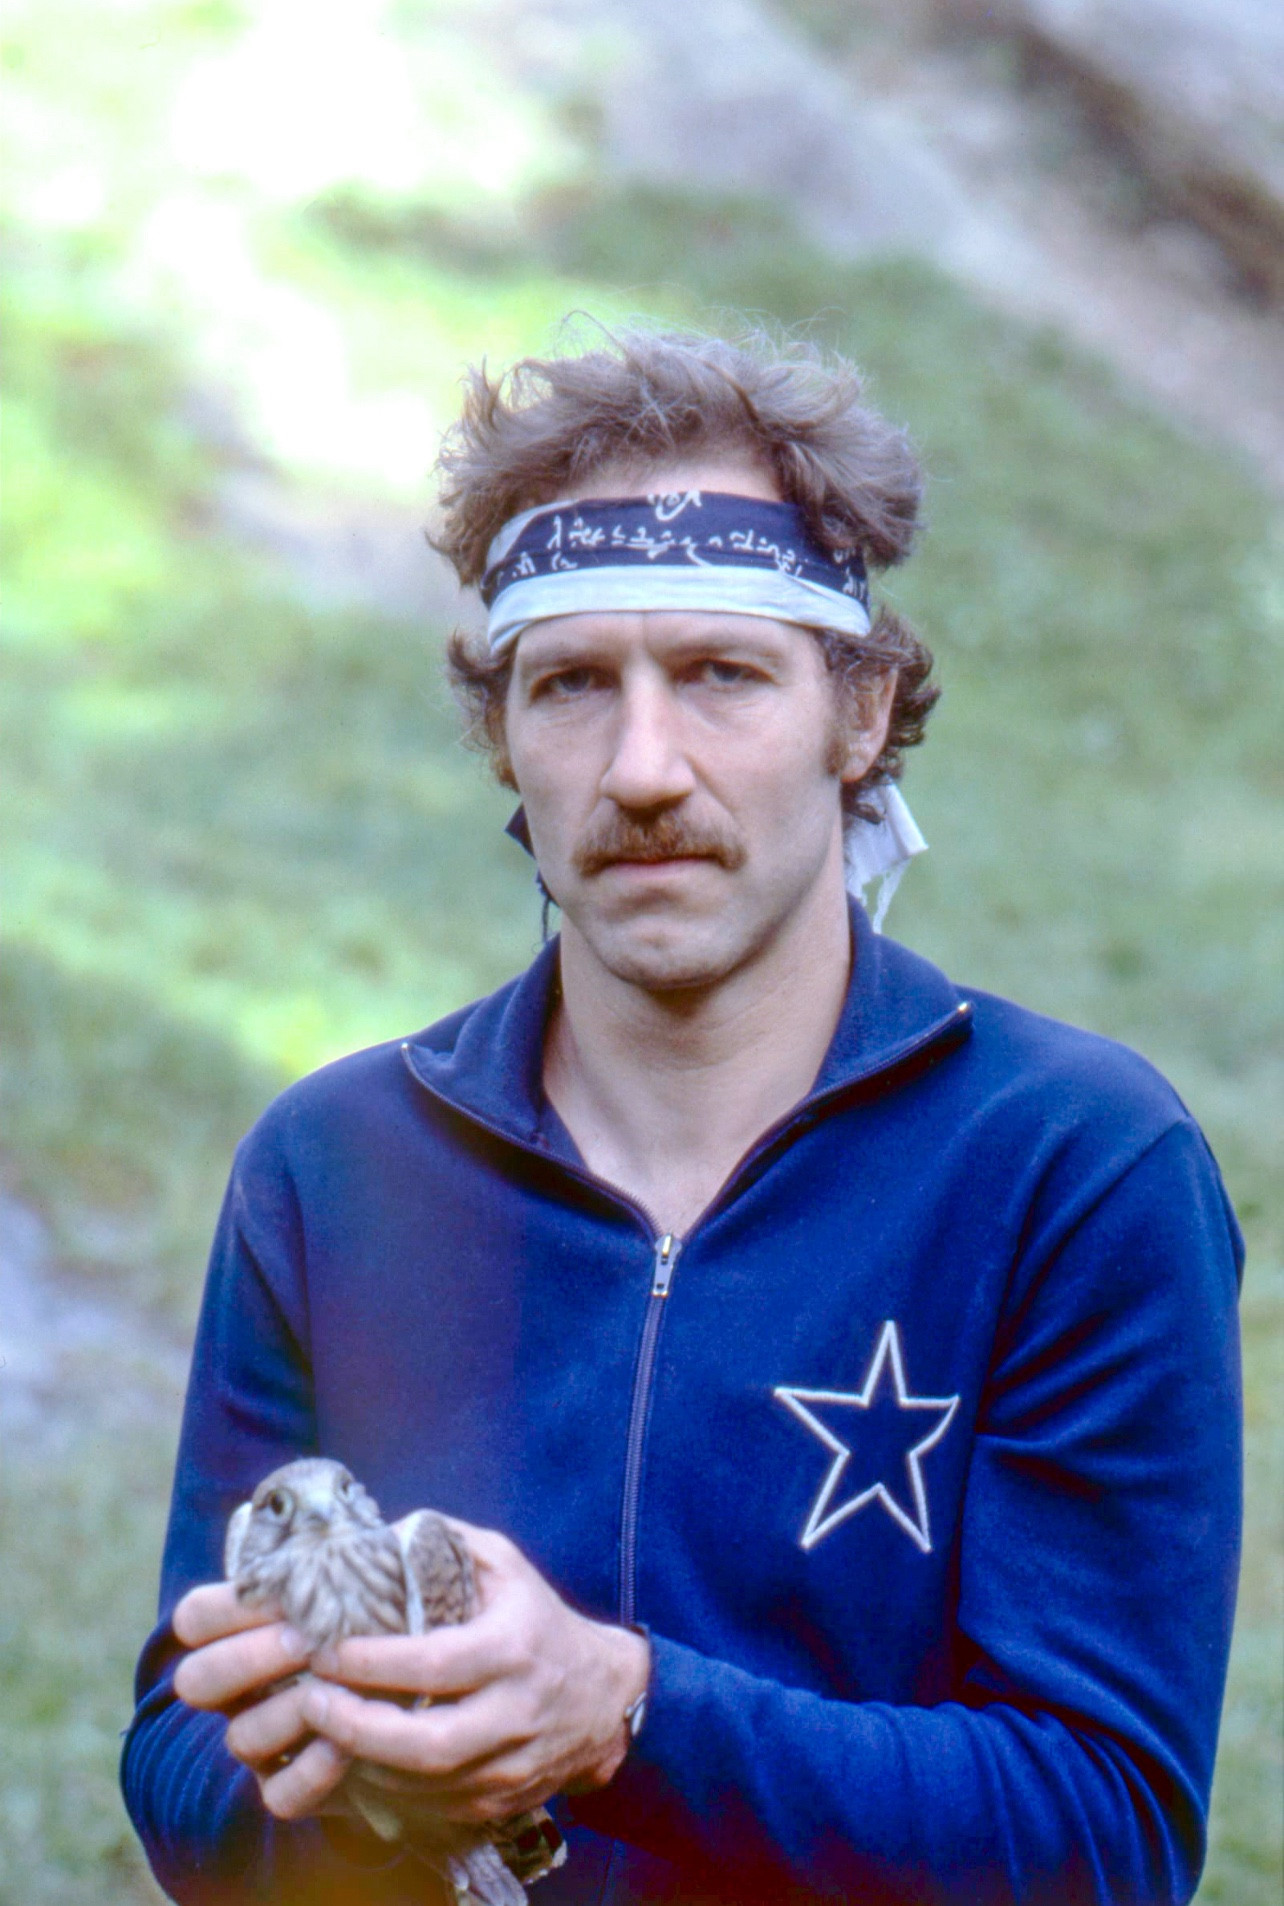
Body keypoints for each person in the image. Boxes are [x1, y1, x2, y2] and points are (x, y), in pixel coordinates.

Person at [122, 325, 1243, 1906]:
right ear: (501, 729)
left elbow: (1105, 1837)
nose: (643, 768)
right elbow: (179, 1771)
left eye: (722, 673)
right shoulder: (335, 1166)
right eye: (573, 683)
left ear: (858, 715)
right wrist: (340, 1775)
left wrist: (622, 1715)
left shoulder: (1074, 1165)